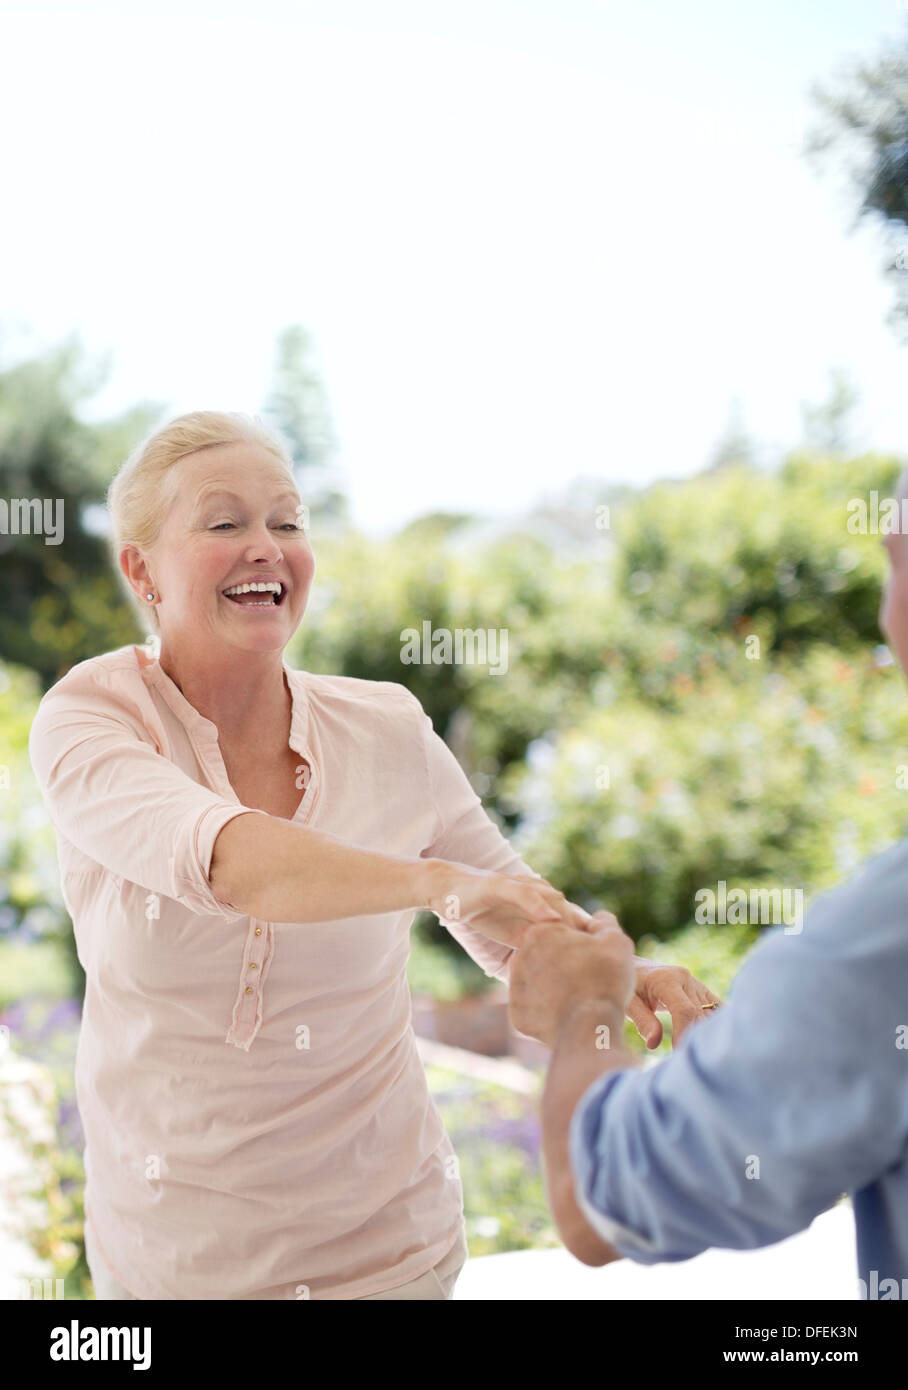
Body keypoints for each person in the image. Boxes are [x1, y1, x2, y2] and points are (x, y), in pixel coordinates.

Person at [28, 409, 717, 1301]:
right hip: (176, 1266)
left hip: (393, 1254)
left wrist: (618, 968)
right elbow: (231, 863)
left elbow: (506, 908)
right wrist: (436, 885)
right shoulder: (94, 720)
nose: (266, 546)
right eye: (224, 522)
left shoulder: (388, 727)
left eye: (287, 521)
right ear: (141, 569)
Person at [510, 471, 908, 1298]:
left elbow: (600, 1199)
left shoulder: (877, 947)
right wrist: (761, 1080)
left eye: (895, 563)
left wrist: (583, 1009)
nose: (883, 611)